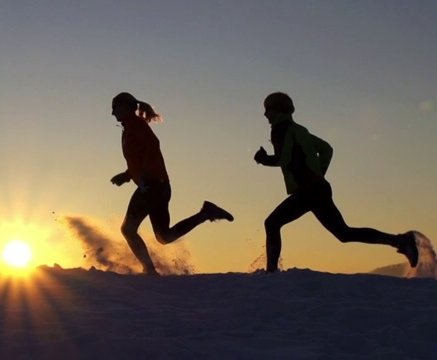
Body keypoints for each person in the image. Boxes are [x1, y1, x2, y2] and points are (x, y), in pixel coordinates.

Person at [253, 92, 419, 273]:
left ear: (277, 109)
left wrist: (263, 159)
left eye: (267, 109)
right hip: (317, 189)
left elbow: (282, 159)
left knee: (272, 223)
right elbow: (326, 149)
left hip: (308, 191)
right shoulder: (298, 129)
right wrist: (318, 175)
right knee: (344, 233)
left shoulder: (280, 128)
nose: (265, 115)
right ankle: (399, 241)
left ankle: (271, 274)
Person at [110, 92, 234, 275]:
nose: (113, 113)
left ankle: (150, 270)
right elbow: (140, 156)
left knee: (128, 230)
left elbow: (153, 146)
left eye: (116, 107)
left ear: (128, 107)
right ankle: (206, 213)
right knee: (164, 236)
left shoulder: (136, 126)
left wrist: (143, 176)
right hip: (158, 186)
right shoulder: (130, 128)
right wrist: (128, 175)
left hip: (152, 186)